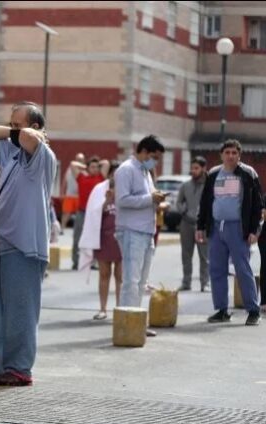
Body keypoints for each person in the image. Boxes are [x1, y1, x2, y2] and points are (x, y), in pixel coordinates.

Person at [0, 101, 57, 387]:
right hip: (0, 241)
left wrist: (23, 132)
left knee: (20, 311)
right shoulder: (12, 155)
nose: (12, 131)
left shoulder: (42, 155)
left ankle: (19, 367)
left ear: (37, 128)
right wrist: (15, 130)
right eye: (11, 124)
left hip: (24, 245)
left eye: (18, 124)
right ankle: (0, 363)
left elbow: (26, 138)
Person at [196, 139, 262, 326]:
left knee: (243, 269)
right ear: (221, 155)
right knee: (216, 269)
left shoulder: (248, 174)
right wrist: (201, 227)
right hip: (217, 227)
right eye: (227, 153)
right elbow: (205, 202)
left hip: (238, 228)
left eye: (234, 153)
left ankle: (253, 310)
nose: (231, 156)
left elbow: (258, 205)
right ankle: (222, 309)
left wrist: (254, 230)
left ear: (239, 155)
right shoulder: (214, 174)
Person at [114, 135, 166, 338]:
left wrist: (157, 200)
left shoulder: (145, 172)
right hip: (130, 231)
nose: (156, 162)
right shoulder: (126, 170)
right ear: (143, 151)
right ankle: (127, 325)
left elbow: (147, 198)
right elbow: (123, 200)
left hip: (146, 231)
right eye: (154, 157)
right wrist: (150, 198)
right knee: (131, 281)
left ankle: (137, 323)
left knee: (141, 282)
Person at [78, 164, 122, 320]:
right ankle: (103, 309)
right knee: (104, 273)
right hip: (103, 237)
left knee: (120, 275)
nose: (115, 177)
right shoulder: (99, 190)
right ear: (109, 174)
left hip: (122, 238)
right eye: (113, 174)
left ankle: (119, 308)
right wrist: (106, 201)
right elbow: (93, 213)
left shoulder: (127, 189)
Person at [70, 156, 109, 270]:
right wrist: (85, 166)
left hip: (96, 213)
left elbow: (106, 162)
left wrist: (97, 164)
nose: (95, 169)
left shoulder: (101, 178)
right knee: (78, 237)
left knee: (96, 238)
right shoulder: (81, 178)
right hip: (82, 212)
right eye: (92, 167)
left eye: (97, 167)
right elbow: (73, 164)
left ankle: (94, 262)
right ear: (87, 168)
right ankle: (76, 262)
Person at [177, 157, 209, 292]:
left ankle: (205, 283)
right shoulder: (185, 186)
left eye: (196, 168)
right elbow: (178, 202)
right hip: (186, 224)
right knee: (186, 255)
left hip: (203, 226)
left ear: (203, 168)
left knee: (205, 256)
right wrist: (183, 210)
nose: (193, 171)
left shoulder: (209, 186)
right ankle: (186, 282)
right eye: (192, 168)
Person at [61, 154, 83, 234]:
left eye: (81, 159)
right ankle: (62, 229)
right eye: (78, 159)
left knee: (79, 214)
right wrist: (62, 192)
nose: (79, 161)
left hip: (80, 196)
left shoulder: (84, 171)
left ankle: (77, 230)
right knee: (66, 213)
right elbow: (64, 181)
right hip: (69, 195)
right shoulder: (69, 170)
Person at [258, 195, 266, 312]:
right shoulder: (265, 197)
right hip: (265, 238)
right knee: (265, 267)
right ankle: (264, 300)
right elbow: (264, 215)